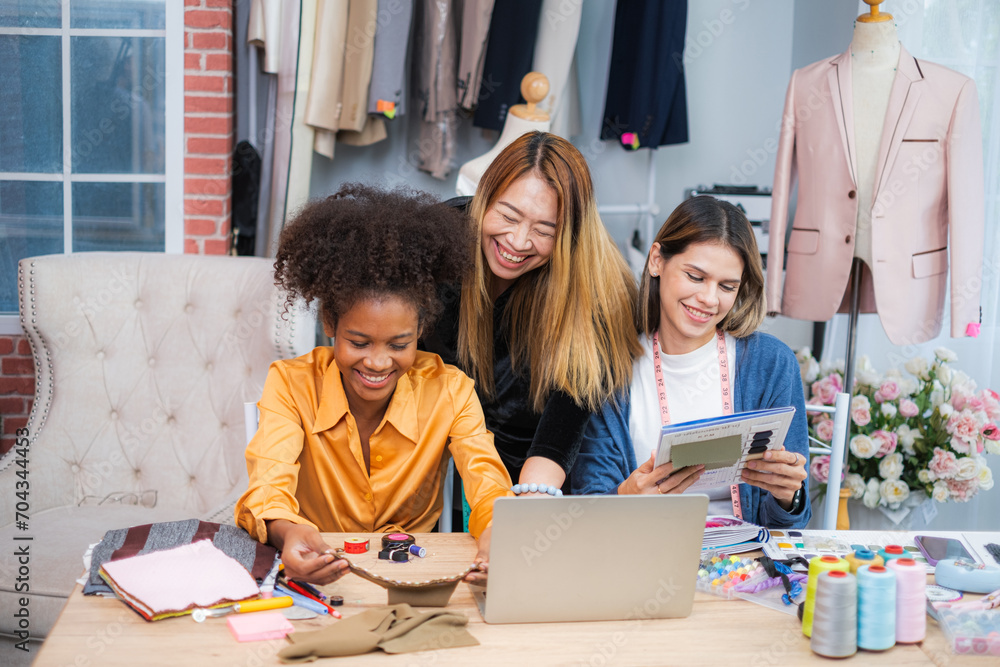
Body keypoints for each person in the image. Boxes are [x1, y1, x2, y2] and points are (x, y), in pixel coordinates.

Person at [235, 184, 512, 584]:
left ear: (421, 329)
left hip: (416, 577)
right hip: (320, 576)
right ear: (330, 323)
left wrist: (493, 536)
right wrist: (288, 531)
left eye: (399, 345)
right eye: (358, 342)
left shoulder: (451, 390)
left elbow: (489, 486)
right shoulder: (291, 383)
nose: (378, 363)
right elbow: (268, 488)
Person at [570, 196, 811, 529]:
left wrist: (789, 496)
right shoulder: (611, 367)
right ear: (657, 260)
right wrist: (624, 499)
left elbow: (788, 524)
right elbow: (587, 508)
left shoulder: (771, 364)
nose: (709, 299)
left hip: (741, 565)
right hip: (641, 548)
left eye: (727, 286)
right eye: (696, 277)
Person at [422, 131, 642, 492]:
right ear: (484, 197)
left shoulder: (599, 292)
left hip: (537, 474)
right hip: (435, 466)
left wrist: (529, 502)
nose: (519, 242)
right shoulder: (438, 239)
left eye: (544, 230)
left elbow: (564, 422)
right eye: (509, 216)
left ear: (569, 235)